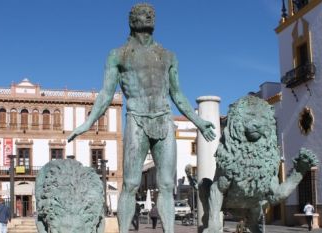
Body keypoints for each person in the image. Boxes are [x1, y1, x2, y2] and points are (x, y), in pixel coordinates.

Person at [67, 4, 216, 233]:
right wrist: (88, 123)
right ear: (131, 20)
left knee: (167, 185)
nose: (148, 16)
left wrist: (197, 120)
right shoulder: (117, 55)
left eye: (151, 14)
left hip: (164, 120)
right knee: (130, 184)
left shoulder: (168, 56)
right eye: (141, 13)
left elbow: (177, 94)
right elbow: (106, 94)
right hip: (136, 119)